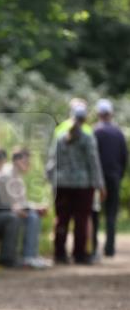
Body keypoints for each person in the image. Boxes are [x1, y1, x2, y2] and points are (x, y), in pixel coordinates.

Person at [46, 103, 105, 264]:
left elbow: (51, 161)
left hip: (62, 184)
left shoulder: (60, 137)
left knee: (61, 219)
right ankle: (79, 254)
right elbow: (94, 163)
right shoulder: (87, 137)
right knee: (81, 220)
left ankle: (59, 253)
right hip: (83, 186)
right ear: (85, 119)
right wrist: (100, 185)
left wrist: (50, 181)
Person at [0, 148, 51, 268]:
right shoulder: (7, 175)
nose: (29, 164)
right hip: (4, 211)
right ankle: (28, 257)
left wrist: (36, 207)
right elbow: (10, 202)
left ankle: (32, 255)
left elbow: (22, 202)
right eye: (26, 161)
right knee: (33, 217)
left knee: (35, 214)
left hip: (14, 209)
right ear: (17, 161)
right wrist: (31, 209)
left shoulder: (18, 176)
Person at [93, 99, 127, 258]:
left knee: (94, 212)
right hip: (114, 177)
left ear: (98, 114)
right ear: (111, 114)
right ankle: (110, 248)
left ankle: (93, 247)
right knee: (111, 213)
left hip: (96, 178)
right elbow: (124, 156)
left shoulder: (95, 131)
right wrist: (119, 174)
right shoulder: (118, 133)